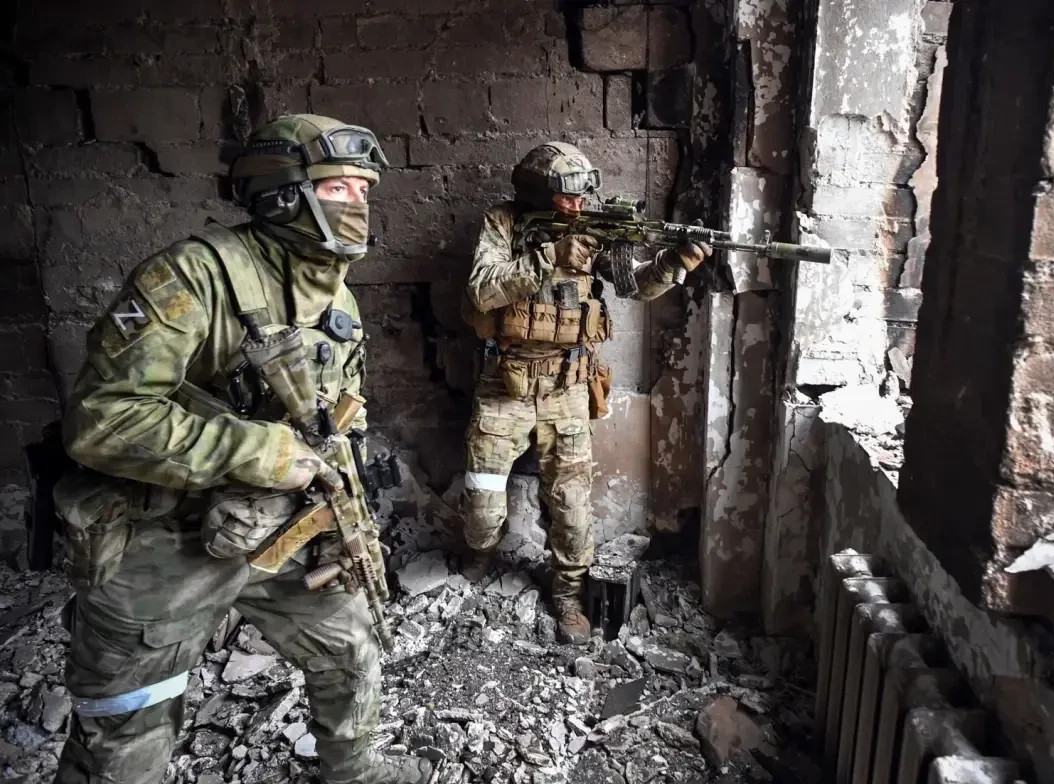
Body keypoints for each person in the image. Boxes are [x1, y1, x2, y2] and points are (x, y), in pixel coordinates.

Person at [52, 115, 433, 783]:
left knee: (351, 648)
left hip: (280, 526)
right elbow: (101, 419)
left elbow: (338, 411)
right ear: (282, 195)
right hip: (160, 538)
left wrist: (338, 501)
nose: (358, 204)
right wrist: (261, 453)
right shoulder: (192, 277)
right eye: (338, 188)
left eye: (363, 190)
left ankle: (355, 771)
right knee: (126, 730)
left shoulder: (336, 293)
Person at [459, 141, 712, 644]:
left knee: (573, 509)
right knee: (482, 509)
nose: (578, 206)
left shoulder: (593, 230)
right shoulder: (504, 223)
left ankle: (569, 595)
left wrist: (676, 262)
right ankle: (479, 554)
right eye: (566, 198)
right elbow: (482, 290)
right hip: (503, 384)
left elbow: (636, 286)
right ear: (538, 195)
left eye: (581, 197)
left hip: (567, 388)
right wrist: (549, 256)